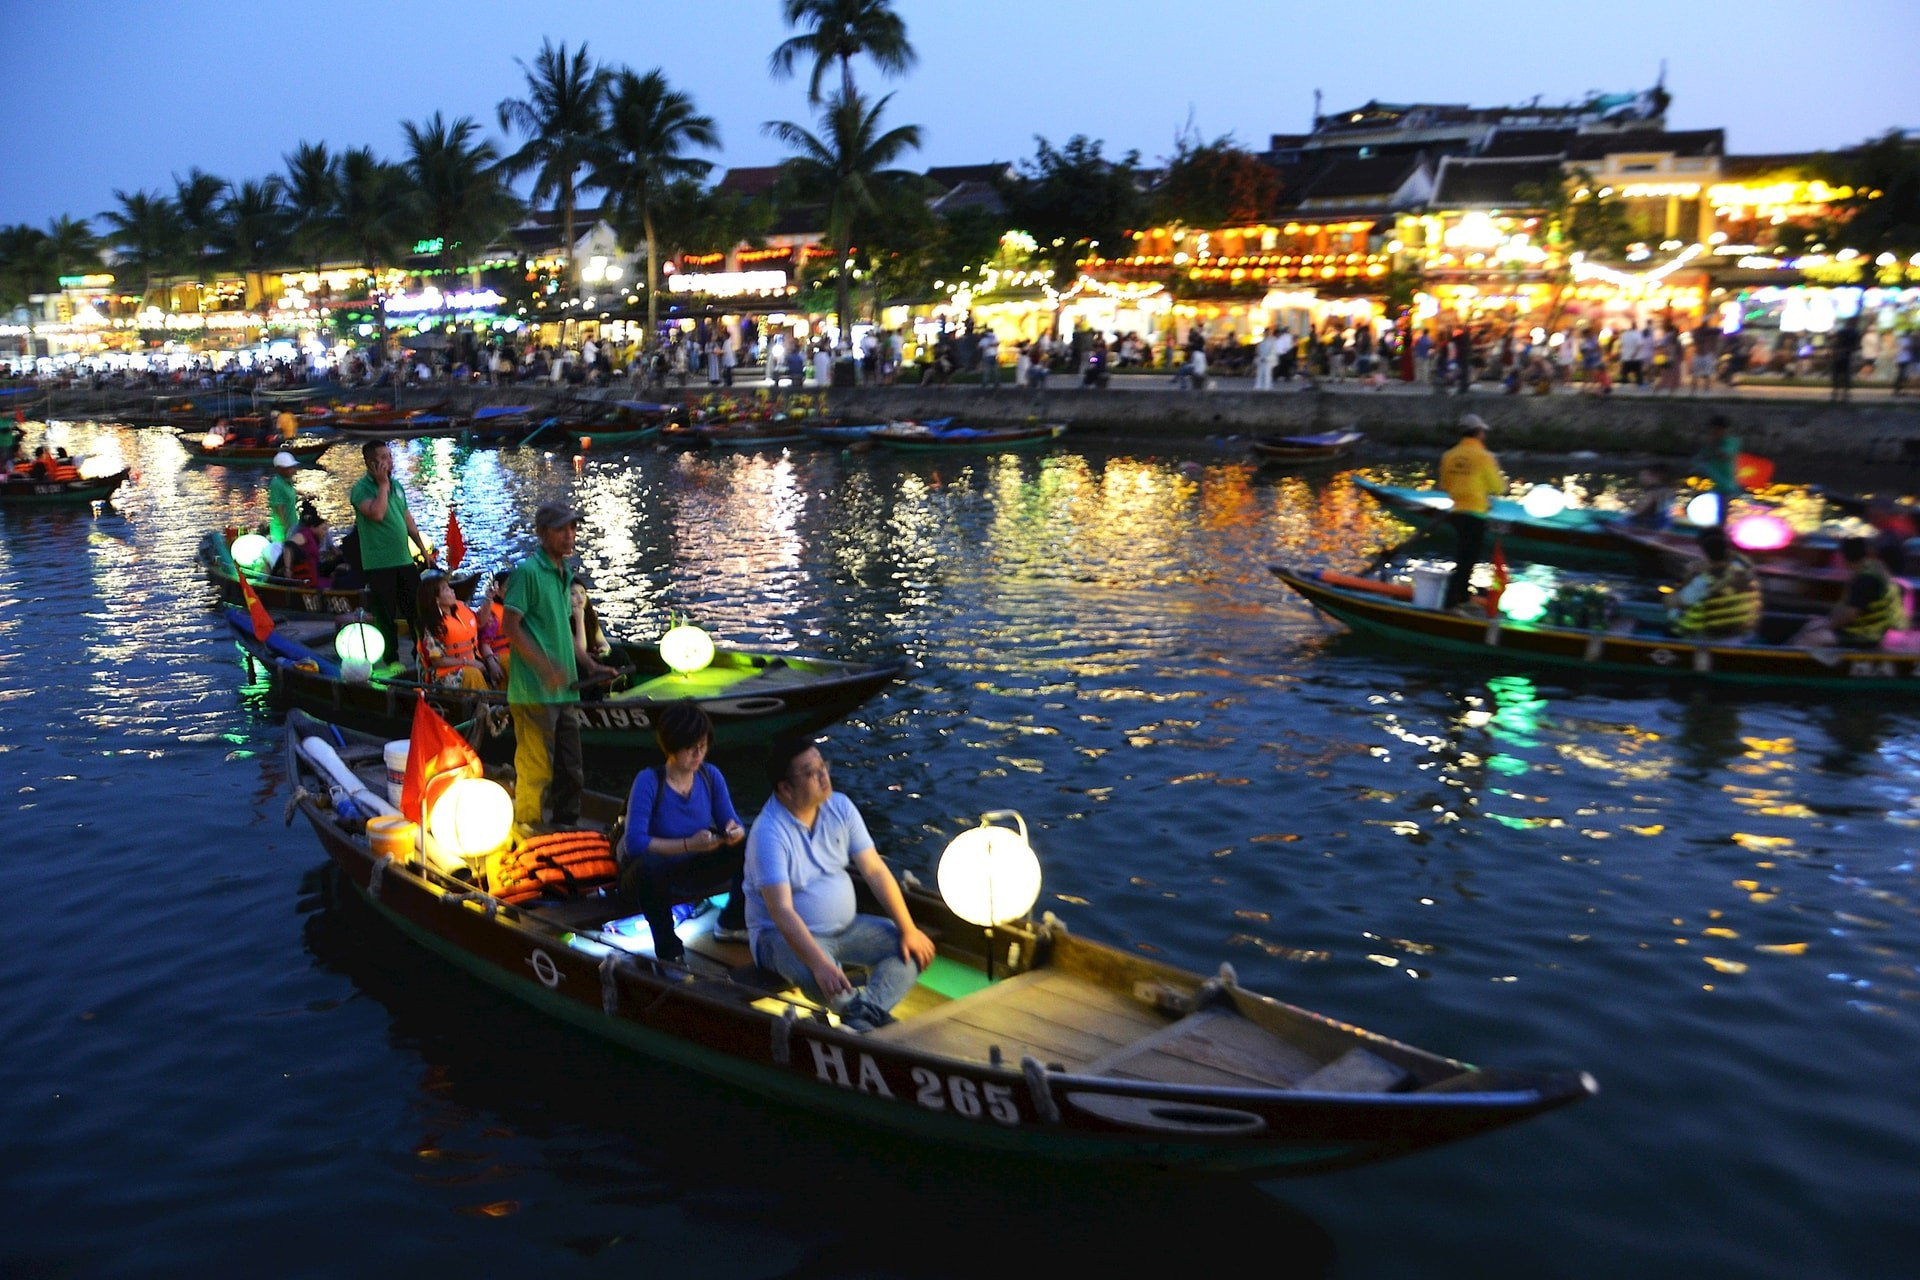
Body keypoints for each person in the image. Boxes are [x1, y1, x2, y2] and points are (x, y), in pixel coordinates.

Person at [743, 733, 937, 1032]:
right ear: (785, 789)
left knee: (908, 948)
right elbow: (781, 910)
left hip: (848, 928)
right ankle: (865, 1015)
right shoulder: (768, 832)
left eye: (823, 767)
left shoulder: (841, 807)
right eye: (810, 773)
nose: (823, 776)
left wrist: (908, 928)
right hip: (779, 939)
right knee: (813, 973)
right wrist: (820, 964)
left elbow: (874, 870)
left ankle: (861, 1015)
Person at [502, 504, 616, 835]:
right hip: (535, 692)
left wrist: (590, 664)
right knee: (536, 767)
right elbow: (511, 626)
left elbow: (561, 632)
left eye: (572, 528)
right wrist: (544, 668)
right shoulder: (528, 573)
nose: (569, 535)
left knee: (571, 766)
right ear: (541, 533)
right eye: (561, 529)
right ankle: (528, 826)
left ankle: (566, 823)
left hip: (564, 688)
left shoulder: (564, 573)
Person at [618, 703, 749, 963]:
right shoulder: (649, 780)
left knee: (752, 843)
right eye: (691, 747)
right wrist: (689, 845)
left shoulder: (710, 775)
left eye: (703, 745)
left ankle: (733, 920)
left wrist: (734, 832)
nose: (699, 753)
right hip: (649, 876)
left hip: (693, 867)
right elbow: (635, 843)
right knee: (651, 866)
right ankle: (669, 950)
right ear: (672, 747)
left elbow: (731, 821)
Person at [349, 440, 435, 671]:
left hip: (404, 559)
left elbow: (408, 520)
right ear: (370, 462)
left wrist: (423, 551)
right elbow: (376, 513)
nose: (389, 461)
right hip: (379, 563)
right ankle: (392, 659)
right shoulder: (362, 489)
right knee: (385, 614)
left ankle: (422, 654)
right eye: (383, 457)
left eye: (390, 456)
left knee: (416, 610)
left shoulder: (397, 485)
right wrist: (382, 484)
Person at [1438, 414, 1506, 612]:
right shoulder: (1484, 456)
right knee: (1468, 558)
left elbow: (1445, 485)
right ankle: (1452, 601)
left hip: (1457, 512)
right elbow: (1498, 487)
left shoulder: (1449, 455)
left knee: (1463, 554)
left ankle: (1461, 595)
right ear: (1478, 433)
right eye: (1483, 432)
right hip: (1475, 513)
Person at [1793, 537, 1908, 649]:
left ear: (1843, 557)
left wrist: (1828, 625)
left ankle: (1793, 665)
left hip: (1866, 636)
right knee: (1811, 626)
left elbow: (1850, 614)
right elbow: (1847, 608)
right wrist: (1825, 622)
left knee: (1811, 639)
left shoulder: (1867, 578)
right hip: (1861, 630)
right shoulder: (1866, 572)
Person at [1667, 527, 1761, 640]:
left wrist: (1690, 575)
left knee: (1671, 606)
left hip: (1714, 635)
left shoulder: (1705, 580)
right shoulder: (1744, 565)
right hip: (1744, 629)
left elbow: (1680, 601)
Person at [415, 572, 499, 691]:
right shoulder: (432, 625)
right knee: (472, 674)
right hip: (444, 674)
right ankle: (485, 707)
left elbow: (480, 622)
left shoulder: (461, 608)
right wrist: (468, 663)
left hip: (472, 663)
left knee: (499, 666)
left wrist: (488, 598)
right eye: (446, 589)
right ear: (436, 599)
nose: (452, 591)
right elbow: (437, 661)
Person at [1690, 415, 1741, 527]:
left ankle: (1721, 531)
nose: (1714, 433)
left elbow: (1725, 454)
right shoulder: (1711, 443)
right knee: (1696, 498)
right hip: (1710, 481)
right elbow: (1700, 458)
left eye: (1717, 430)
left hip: (1725, 483)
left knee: (1722, 510)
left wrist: (1713, 445)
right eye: (1712, 431)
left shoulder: (1731, 442)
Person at [266, 450, 301, 575]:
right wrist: (286, 527)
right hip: (282, 528)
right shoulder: (277, 484)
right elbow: (278, 507)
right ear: (279, 469)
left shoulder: (288, 482)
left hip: (293, 524)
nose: (293, 470)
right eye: (289, 468)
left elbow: (290, 496)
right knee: (283, 554)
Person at [1626, 464, 1677, 530]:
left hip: (1652, 526)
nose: (1641, 478)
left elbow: (1640, 511)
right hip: (1666, 525)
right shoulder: (1669, 490)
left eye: (1645, 475)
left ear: (1657, 476)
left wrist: (1628, 501)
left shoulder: (1653, 492)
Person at [1830, 316, 1862, 403]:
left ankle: (1836, 394)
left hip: (1839, 356)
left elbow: (1835, 343)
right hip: (1845, 356)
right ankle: (1844, 394)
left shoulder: (1842, 332)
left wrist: (1836, 351)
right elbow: (1855, 346)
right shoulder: (1853, 333)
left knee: (1837, 376)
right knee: (1845, 376)